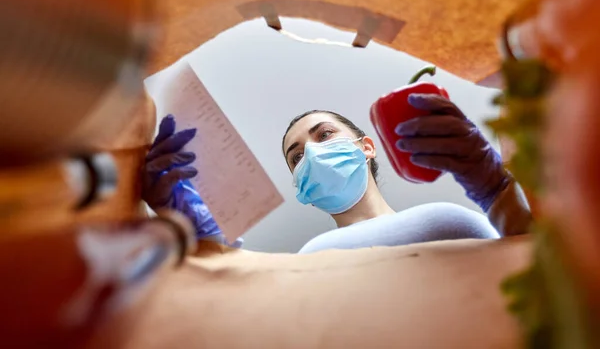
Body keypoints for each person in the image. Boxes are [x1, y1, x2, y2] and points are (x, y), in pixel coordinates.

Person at [142, 94, 533, 253]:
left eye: (325, 135)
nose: (311, 153)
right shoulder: (309, 258)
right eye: (296, 157)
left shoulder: (451, 220)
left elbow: (548, 277)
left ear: (366, 147)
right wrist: (210, 246)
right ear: (300, 185)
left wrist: (497, 190)